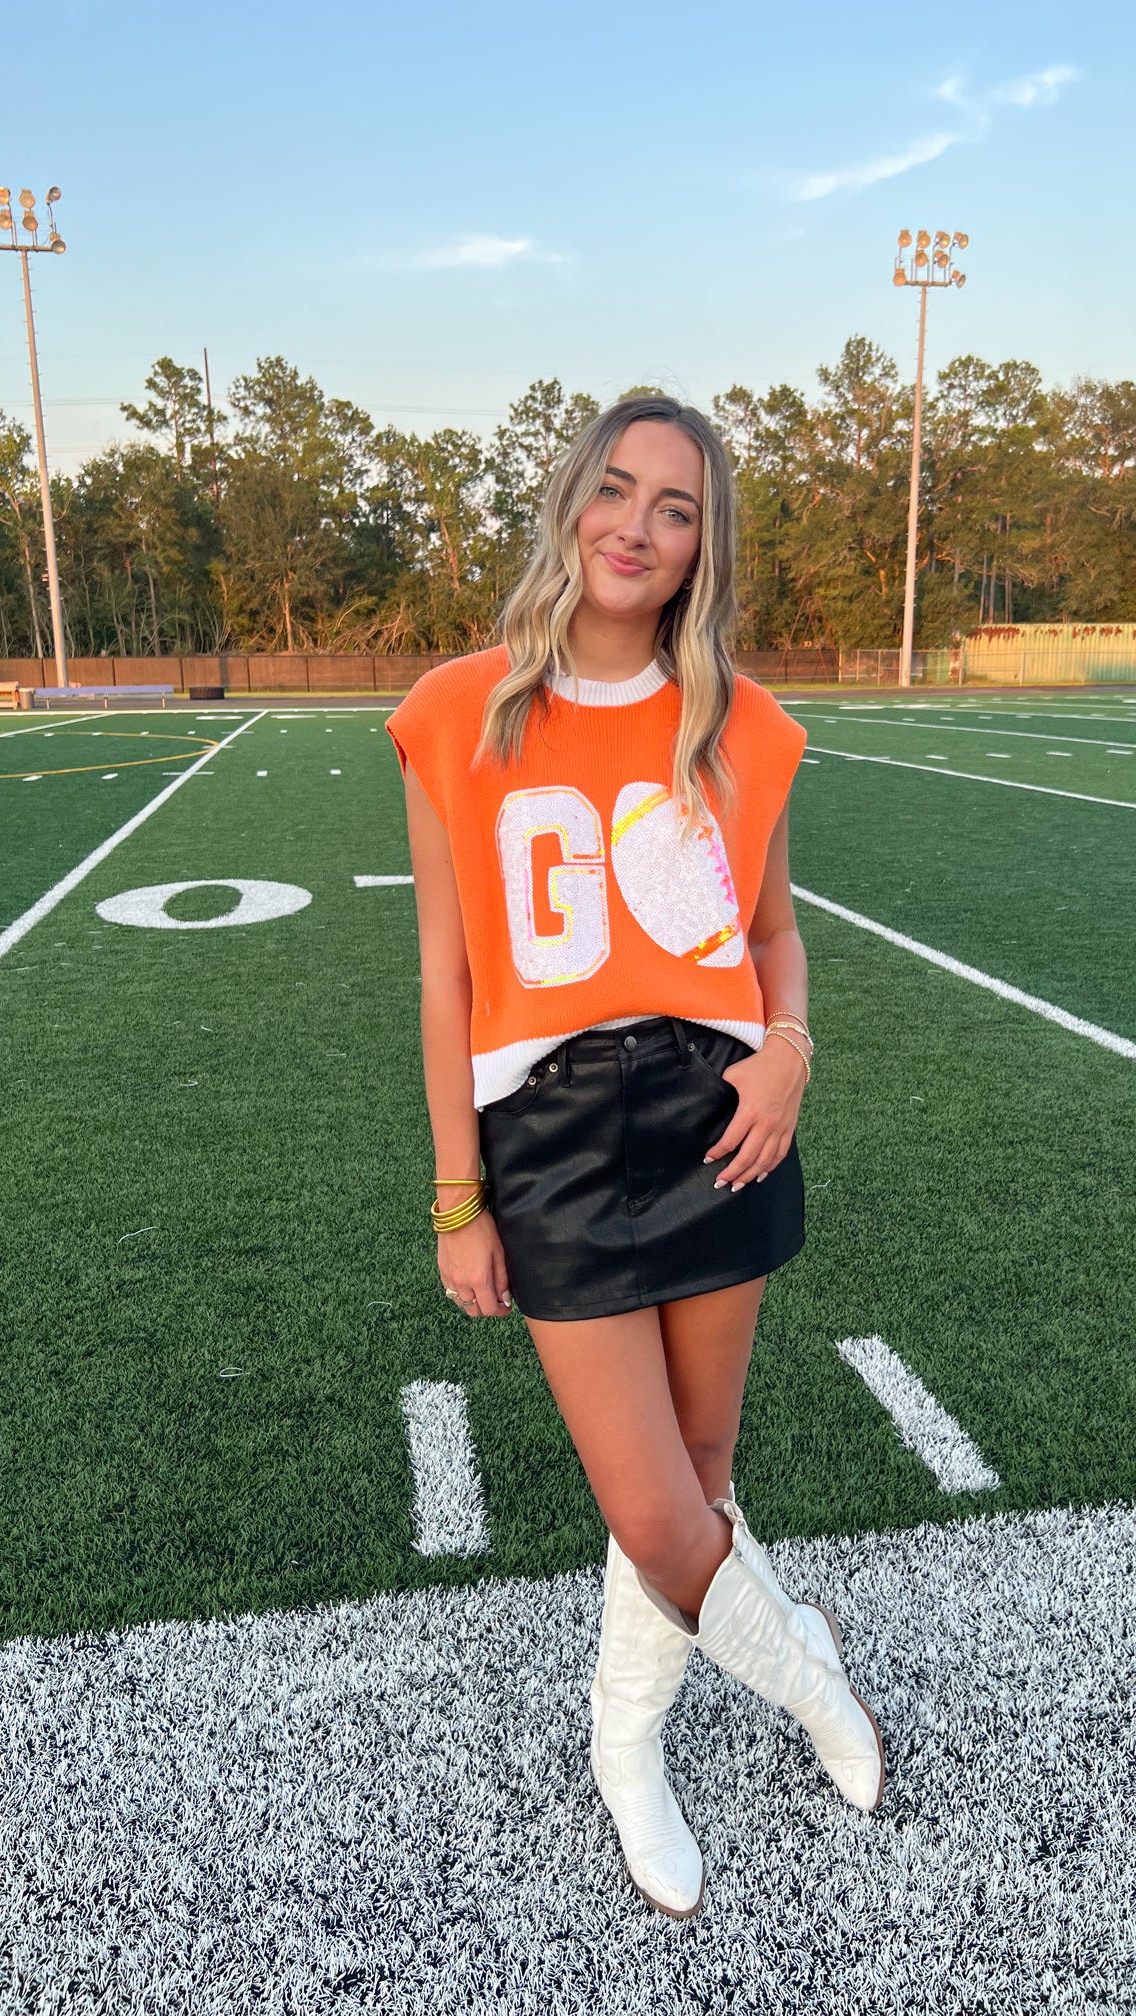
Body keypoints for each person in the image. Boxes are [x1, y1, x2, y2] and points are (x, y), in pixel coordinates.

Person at [384, 393, 884, 1919]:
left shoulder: (741, 722)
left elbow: (777, 936)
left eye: (677, 509)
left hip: (720, 1110)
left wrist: (791, 1051)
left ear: (700, 549)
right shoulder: (458, 709)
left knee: (701, 1474)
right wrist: (459, 1195)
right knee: (661, 1512)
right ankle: (807, 1680)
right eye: (618, 491)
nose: (640, 527)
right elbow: (445, 977)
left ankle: (630, 1748)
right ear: (570, 505)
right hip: (551, 1138)